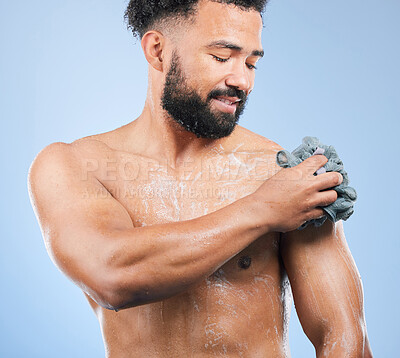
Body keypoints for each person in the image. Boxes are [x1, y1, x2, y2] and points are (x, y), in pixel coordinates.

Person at [28, 0, 373, 356]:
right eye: (222, 57)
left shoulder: (287, 175)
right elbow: (112, 276)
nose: (242, 81)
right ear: (158, 51)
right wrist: (262, 210)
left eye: (252, 62)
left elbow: (346, 339)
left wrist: (274, 201)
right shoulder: (75, 166)